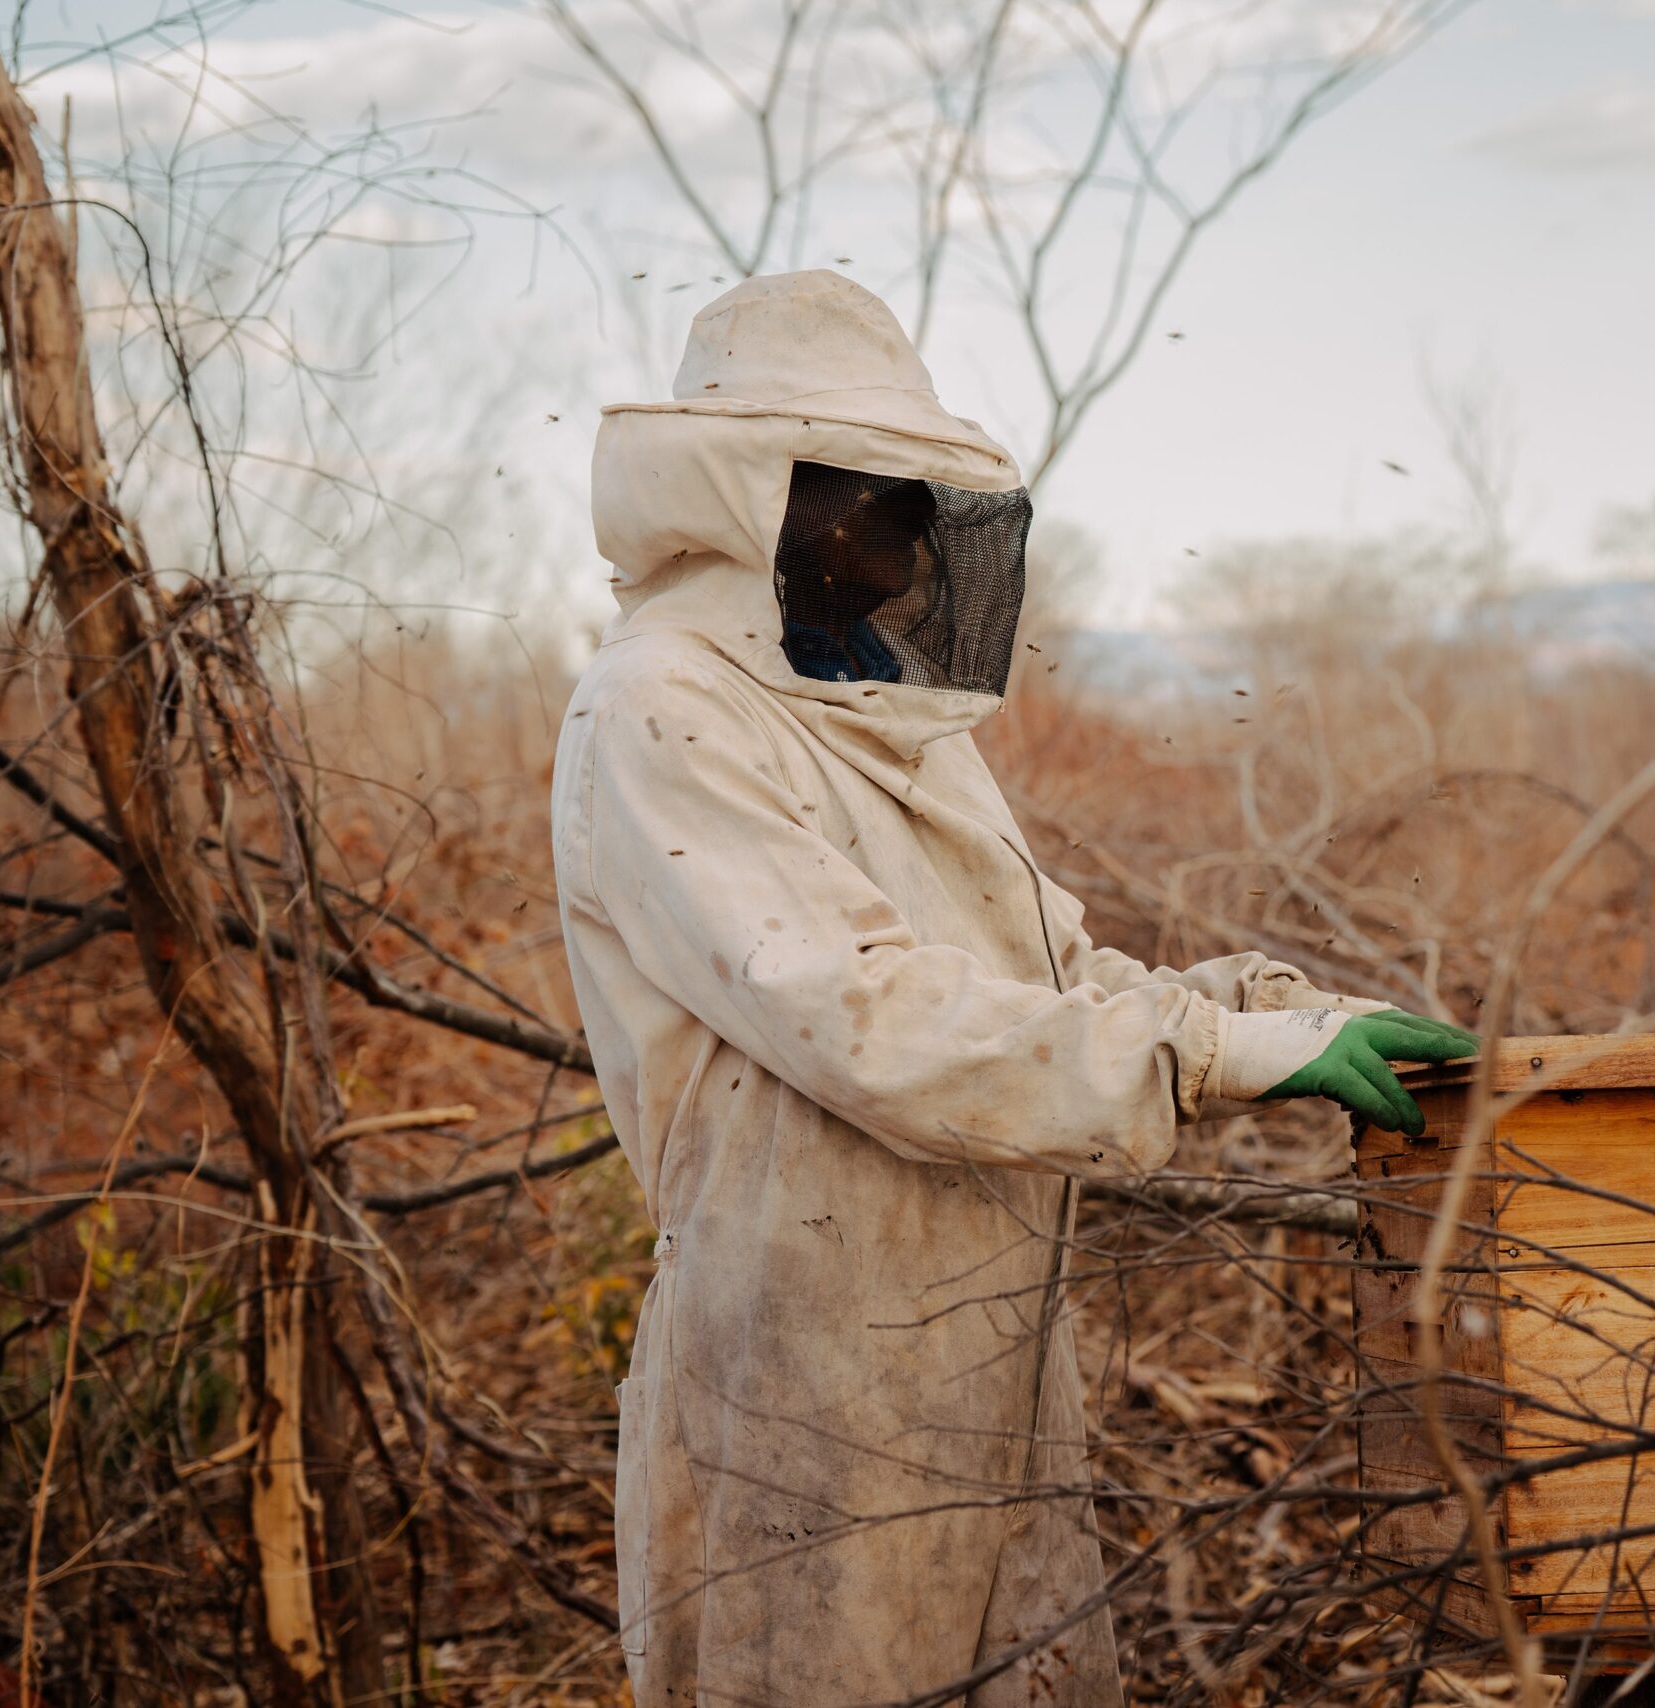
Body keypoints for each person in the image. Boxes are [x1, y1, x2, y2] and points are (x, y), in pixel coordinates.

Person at [551, 270, 1476, 1707]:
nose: (910, 537)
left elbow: (1034, 982)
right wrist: (1207, 1053)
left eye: (922, 497)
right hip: (804, 1346)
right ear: (753, 491)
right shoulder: (661, 703)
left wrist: (1262, 1009)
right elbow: (869, 1020)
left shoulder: (885, 708)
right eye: (873, 491)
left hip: (986, 1322)